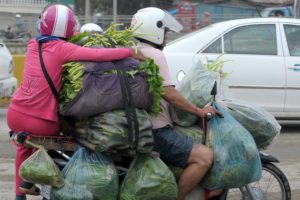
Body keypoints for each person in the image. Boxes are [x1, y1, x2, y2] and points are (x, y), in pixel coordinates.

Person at [6, 3, 144, 200]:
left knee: (23, 145)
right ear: (68, 28)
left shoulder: (33, 45)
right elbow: (98, 55)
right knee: (71, 133)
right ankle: (50, 184)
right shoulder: (63, 49)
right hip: (41, 122)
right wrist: (130, 52)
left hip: (15, 115)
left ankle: (20, 194)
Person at [131, 7, 223, 200]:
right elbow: (169, 93)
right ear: (154, 31)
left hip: (143, 128)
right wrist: (199, 111)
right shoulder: (155, 55)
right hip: (157, 131)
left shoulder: (134, 51)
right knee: (205, 156)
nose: (166, 37)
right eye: (165, 32)